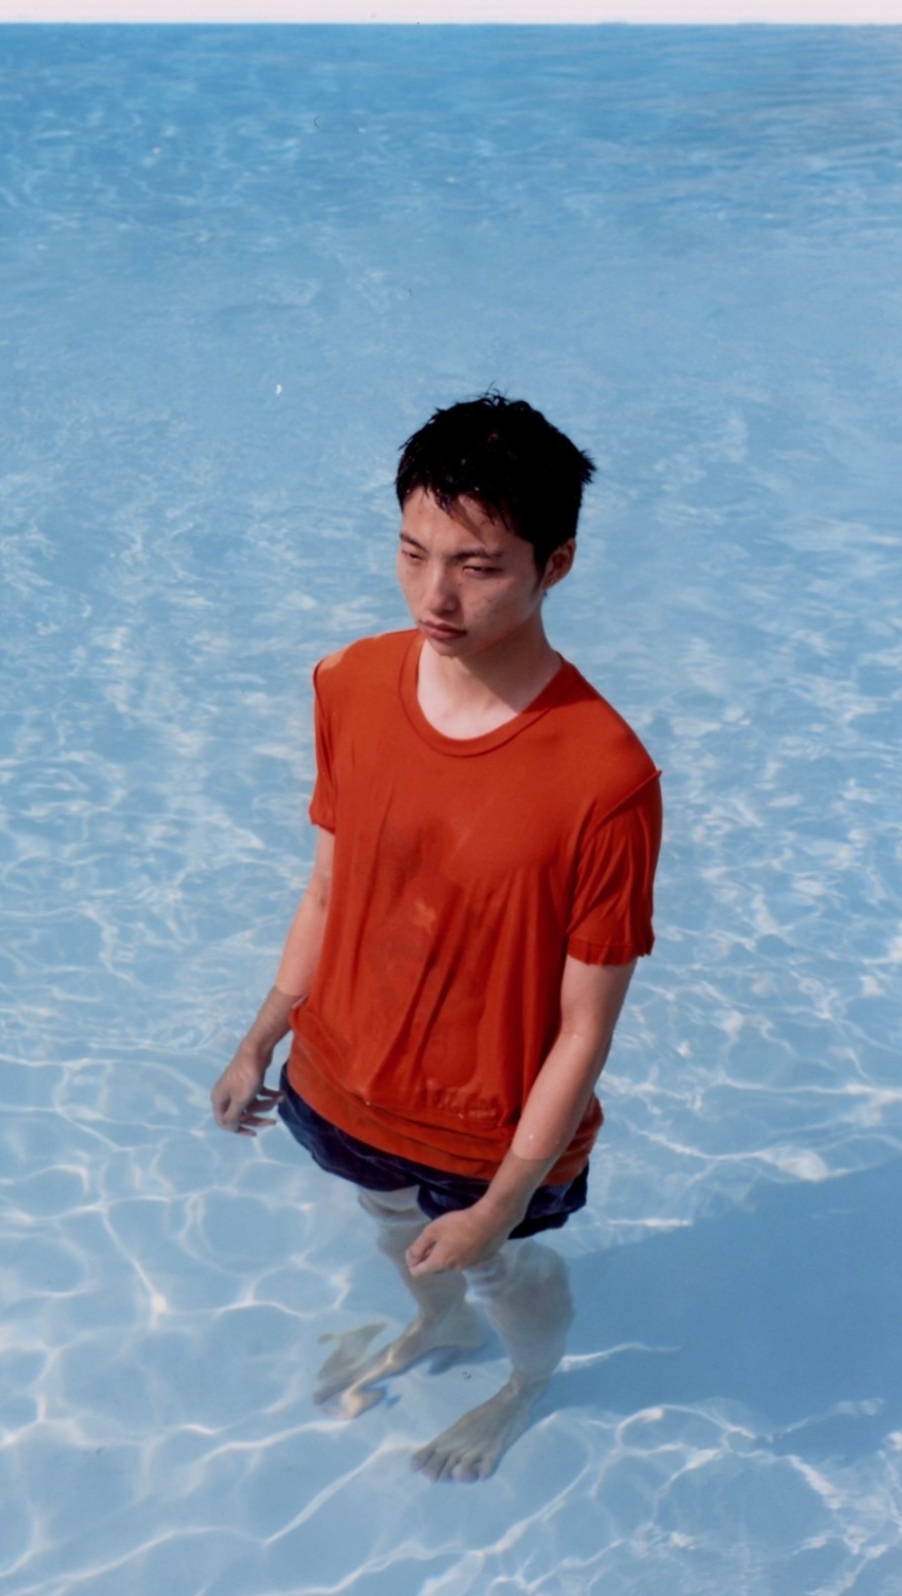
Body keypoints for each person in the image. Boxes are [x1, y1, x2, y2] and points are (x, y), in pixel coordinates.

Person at [211, 392, 661, 1482]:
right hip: (342, 1076)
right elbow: (330, 884)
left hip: (488, 1135)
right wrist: (261, 1033)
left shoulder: (606, 780)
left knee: (503, 1268)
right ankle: (441, 1327)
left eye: (478, 565)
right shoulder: (350, 682)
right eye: (412, 554)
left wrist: (502, 1202)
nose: (435, 595)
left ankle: (525, 1383)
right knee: (385, 1225)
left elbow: (583, 1029)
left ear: (555, 563)